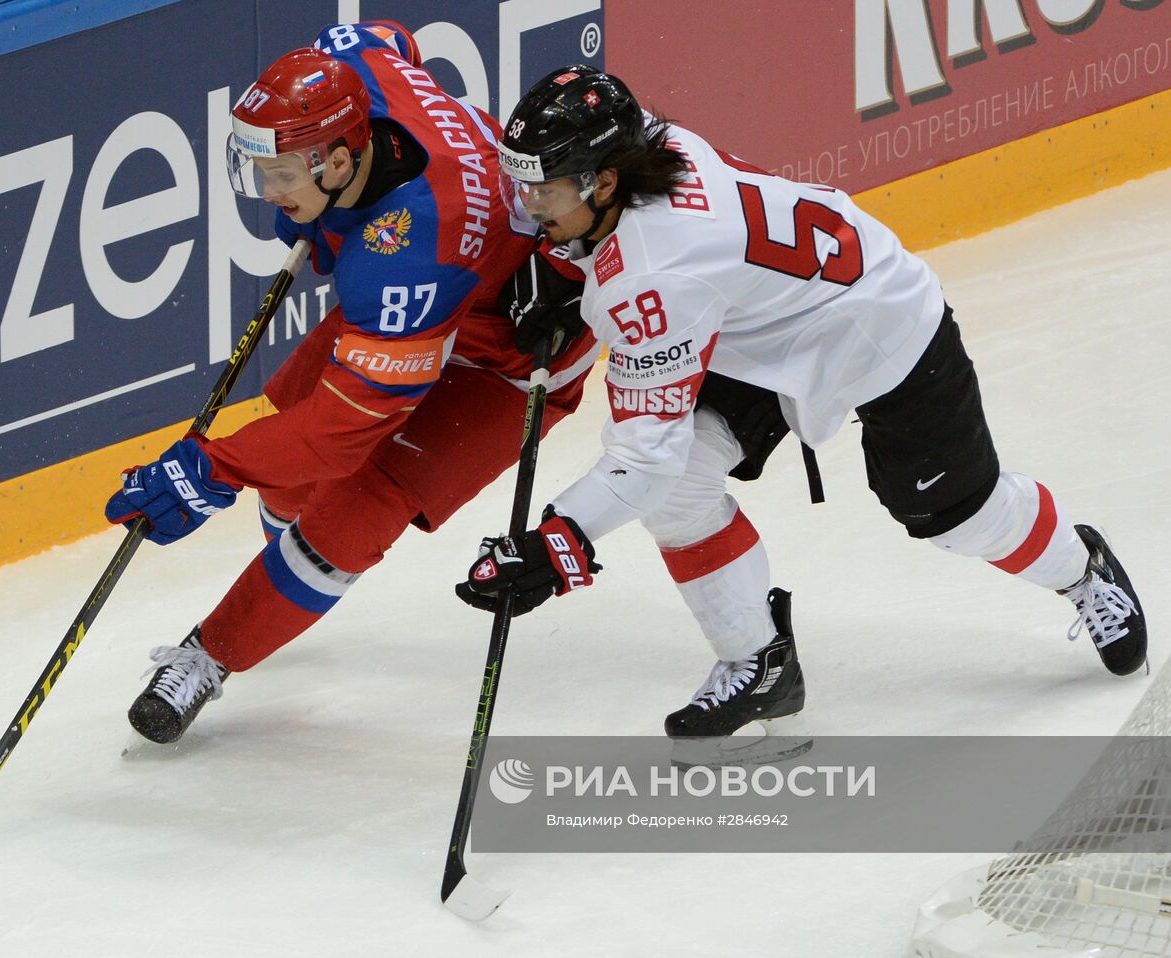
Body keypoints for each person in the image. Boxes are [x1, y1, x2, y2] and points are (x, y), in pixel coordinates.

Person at [456, 66, 1147, 742]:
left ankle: (1080, 568)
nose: (529, 204)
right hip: (758, 322)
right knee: (682, 489)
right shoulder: (648, 148)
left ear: (603, 181)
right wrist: (562, 266)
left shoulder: (656, 282)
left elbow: (643, 457)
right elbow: (640, 265)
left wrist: (556, 542)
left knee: (960, 517)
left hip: (879, 330)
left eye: (542, 189)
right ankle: (760, 661)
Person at [103, 24, 597, 744]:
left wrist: (213, 467)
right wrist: (328, 214)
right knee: (288, 460)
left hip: (510, 362)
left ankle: (210, 656)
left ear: (338, 159)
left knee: (353, 513)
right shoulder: (353, 72)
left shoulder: (408, 257)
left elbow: (337, 438)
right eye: (261, 172)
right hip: (439, 293)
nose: (269, 194)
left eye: (283, 178)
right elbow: (389, 38)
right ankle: (280, 563)